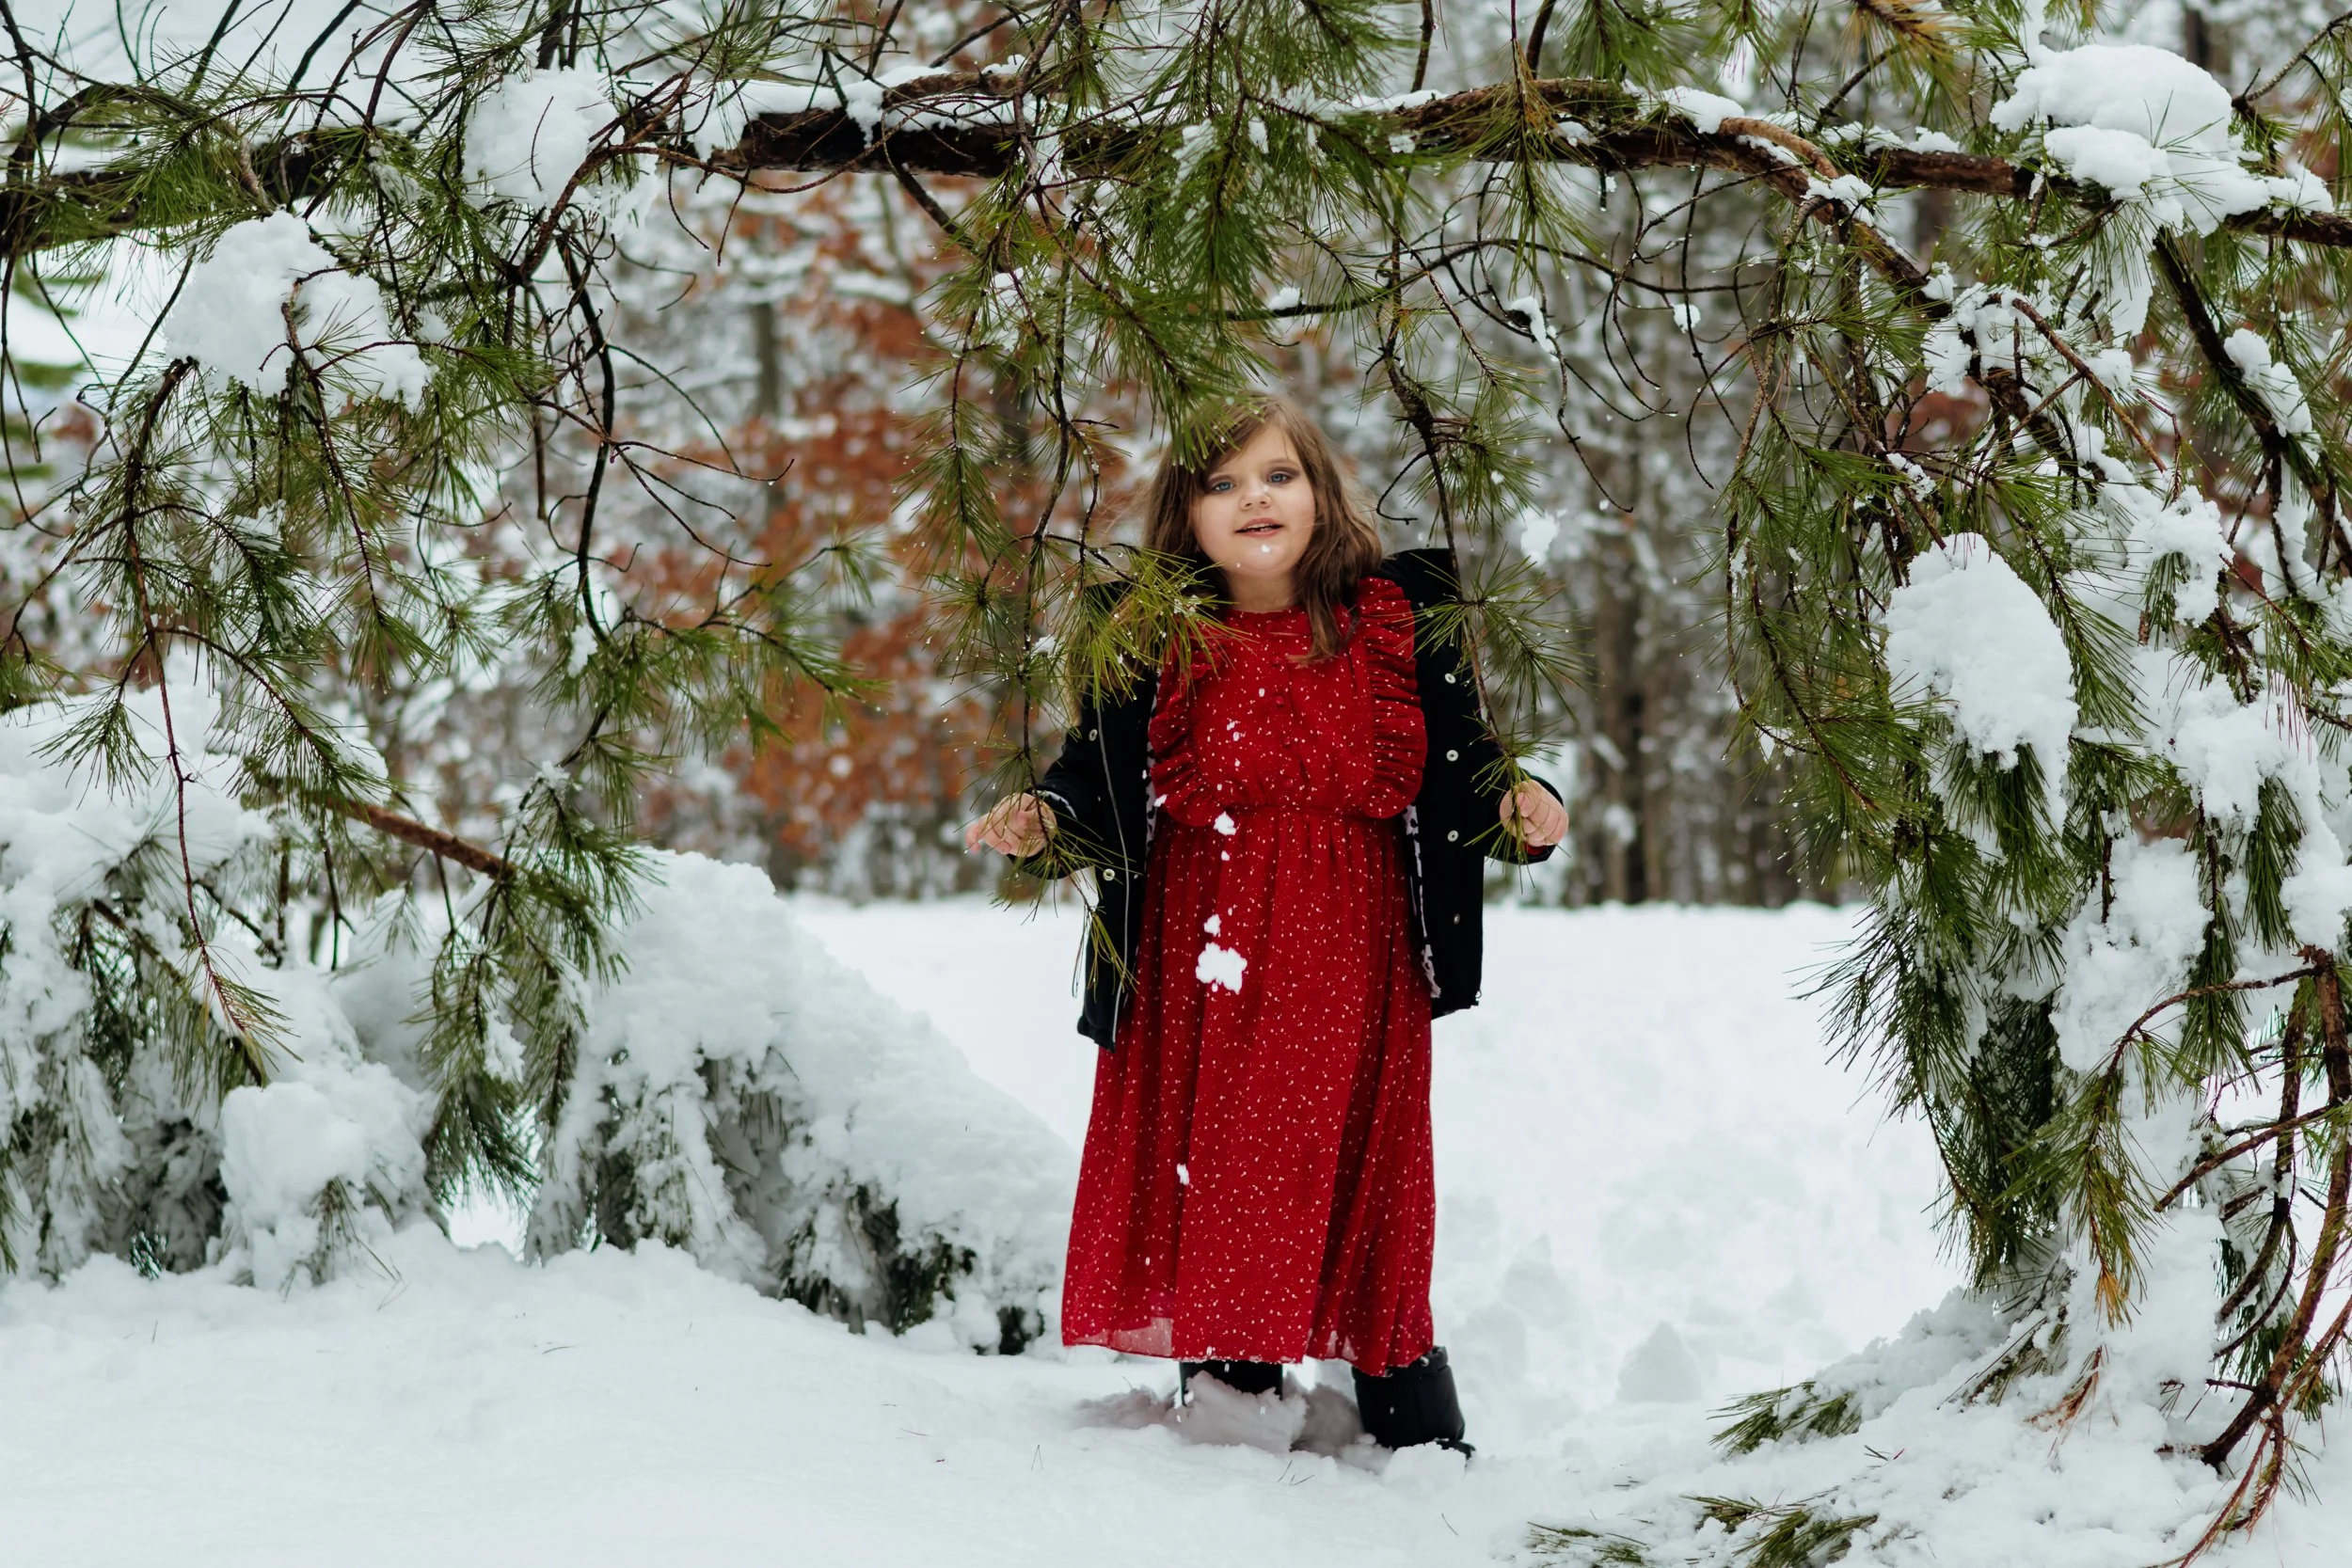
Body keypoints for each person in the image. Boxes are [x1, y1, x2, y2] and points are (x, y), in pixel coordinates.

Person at [965, 395, 1566, 1454]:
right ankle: (1237, 1404)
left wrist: (1525, 804)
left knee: (1364, 1171)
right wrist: (1045, 817)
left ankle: (1405, 1411)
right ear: (1184, 517)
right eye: (1222, 483)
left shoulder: (1393, 620)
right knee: (1233, 1162)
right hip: (1210, 953)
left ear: (1321, 492)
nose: (1255, 499)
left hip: (1356, 950)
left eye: (1278, 474)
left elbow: (1469, 766)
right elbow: (1091, 773)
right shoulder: (1152, 634)